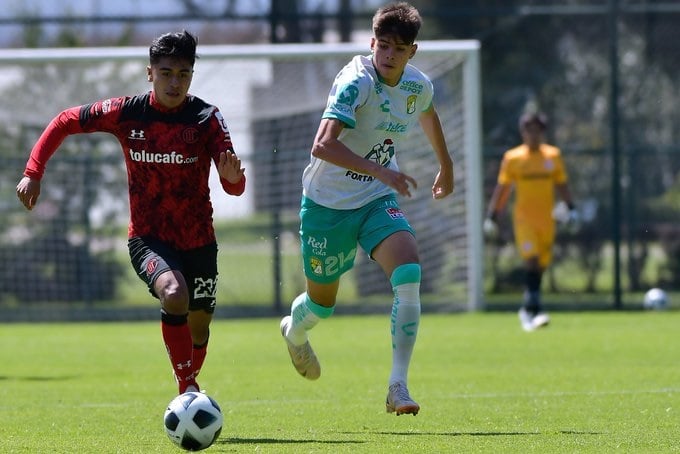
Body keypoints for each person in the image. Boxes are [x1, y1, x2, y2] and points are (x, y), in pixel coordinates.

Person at [16, 30, 246, 395]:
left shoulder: (207, 118)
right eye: (166, 73)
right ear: (150, 73)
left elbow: (235, 185)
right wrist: (33, 172)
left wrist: (233, 180)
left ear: (192, 75)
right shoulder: (127, 112)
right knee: (174, 294)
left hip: (199, 239)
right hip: (148, 237)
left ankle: (187, 383)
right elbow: (65, 120)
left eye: (183, 74)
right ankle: (188, 390)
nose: (175, 83)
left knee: (199, 325)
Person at [278, 2, 454, 417]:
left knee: (408, 271)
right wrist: (382, 170)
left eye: (399, 49)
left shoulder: (417, 85)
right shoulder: (355, 83)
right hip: (327, 203)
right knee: (321, 305)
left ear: (412, 52)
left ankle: (398, 385)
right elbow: (322, 145)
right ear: (372, 43)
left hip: (376, 197)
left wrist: (446, 165)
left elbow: (428, 113)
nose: (389, 55)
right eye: (384, 45)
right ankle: (294, 332)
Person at [483, 111, 577, 332]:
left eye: (537, 131)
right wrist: (492, 215)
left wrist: (571, 208)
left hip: (547, 220)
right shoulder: (513, 158)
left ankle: (528, 307)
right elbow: (503, 188)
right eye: (529, 130)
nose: (533, 135)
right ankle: (535, 310)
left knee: (541, 265)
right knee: (532, 261)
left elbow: (561, 183)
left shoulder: (553, 156)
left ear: (543, 133)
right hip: (524, 220)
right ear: (522, 132)